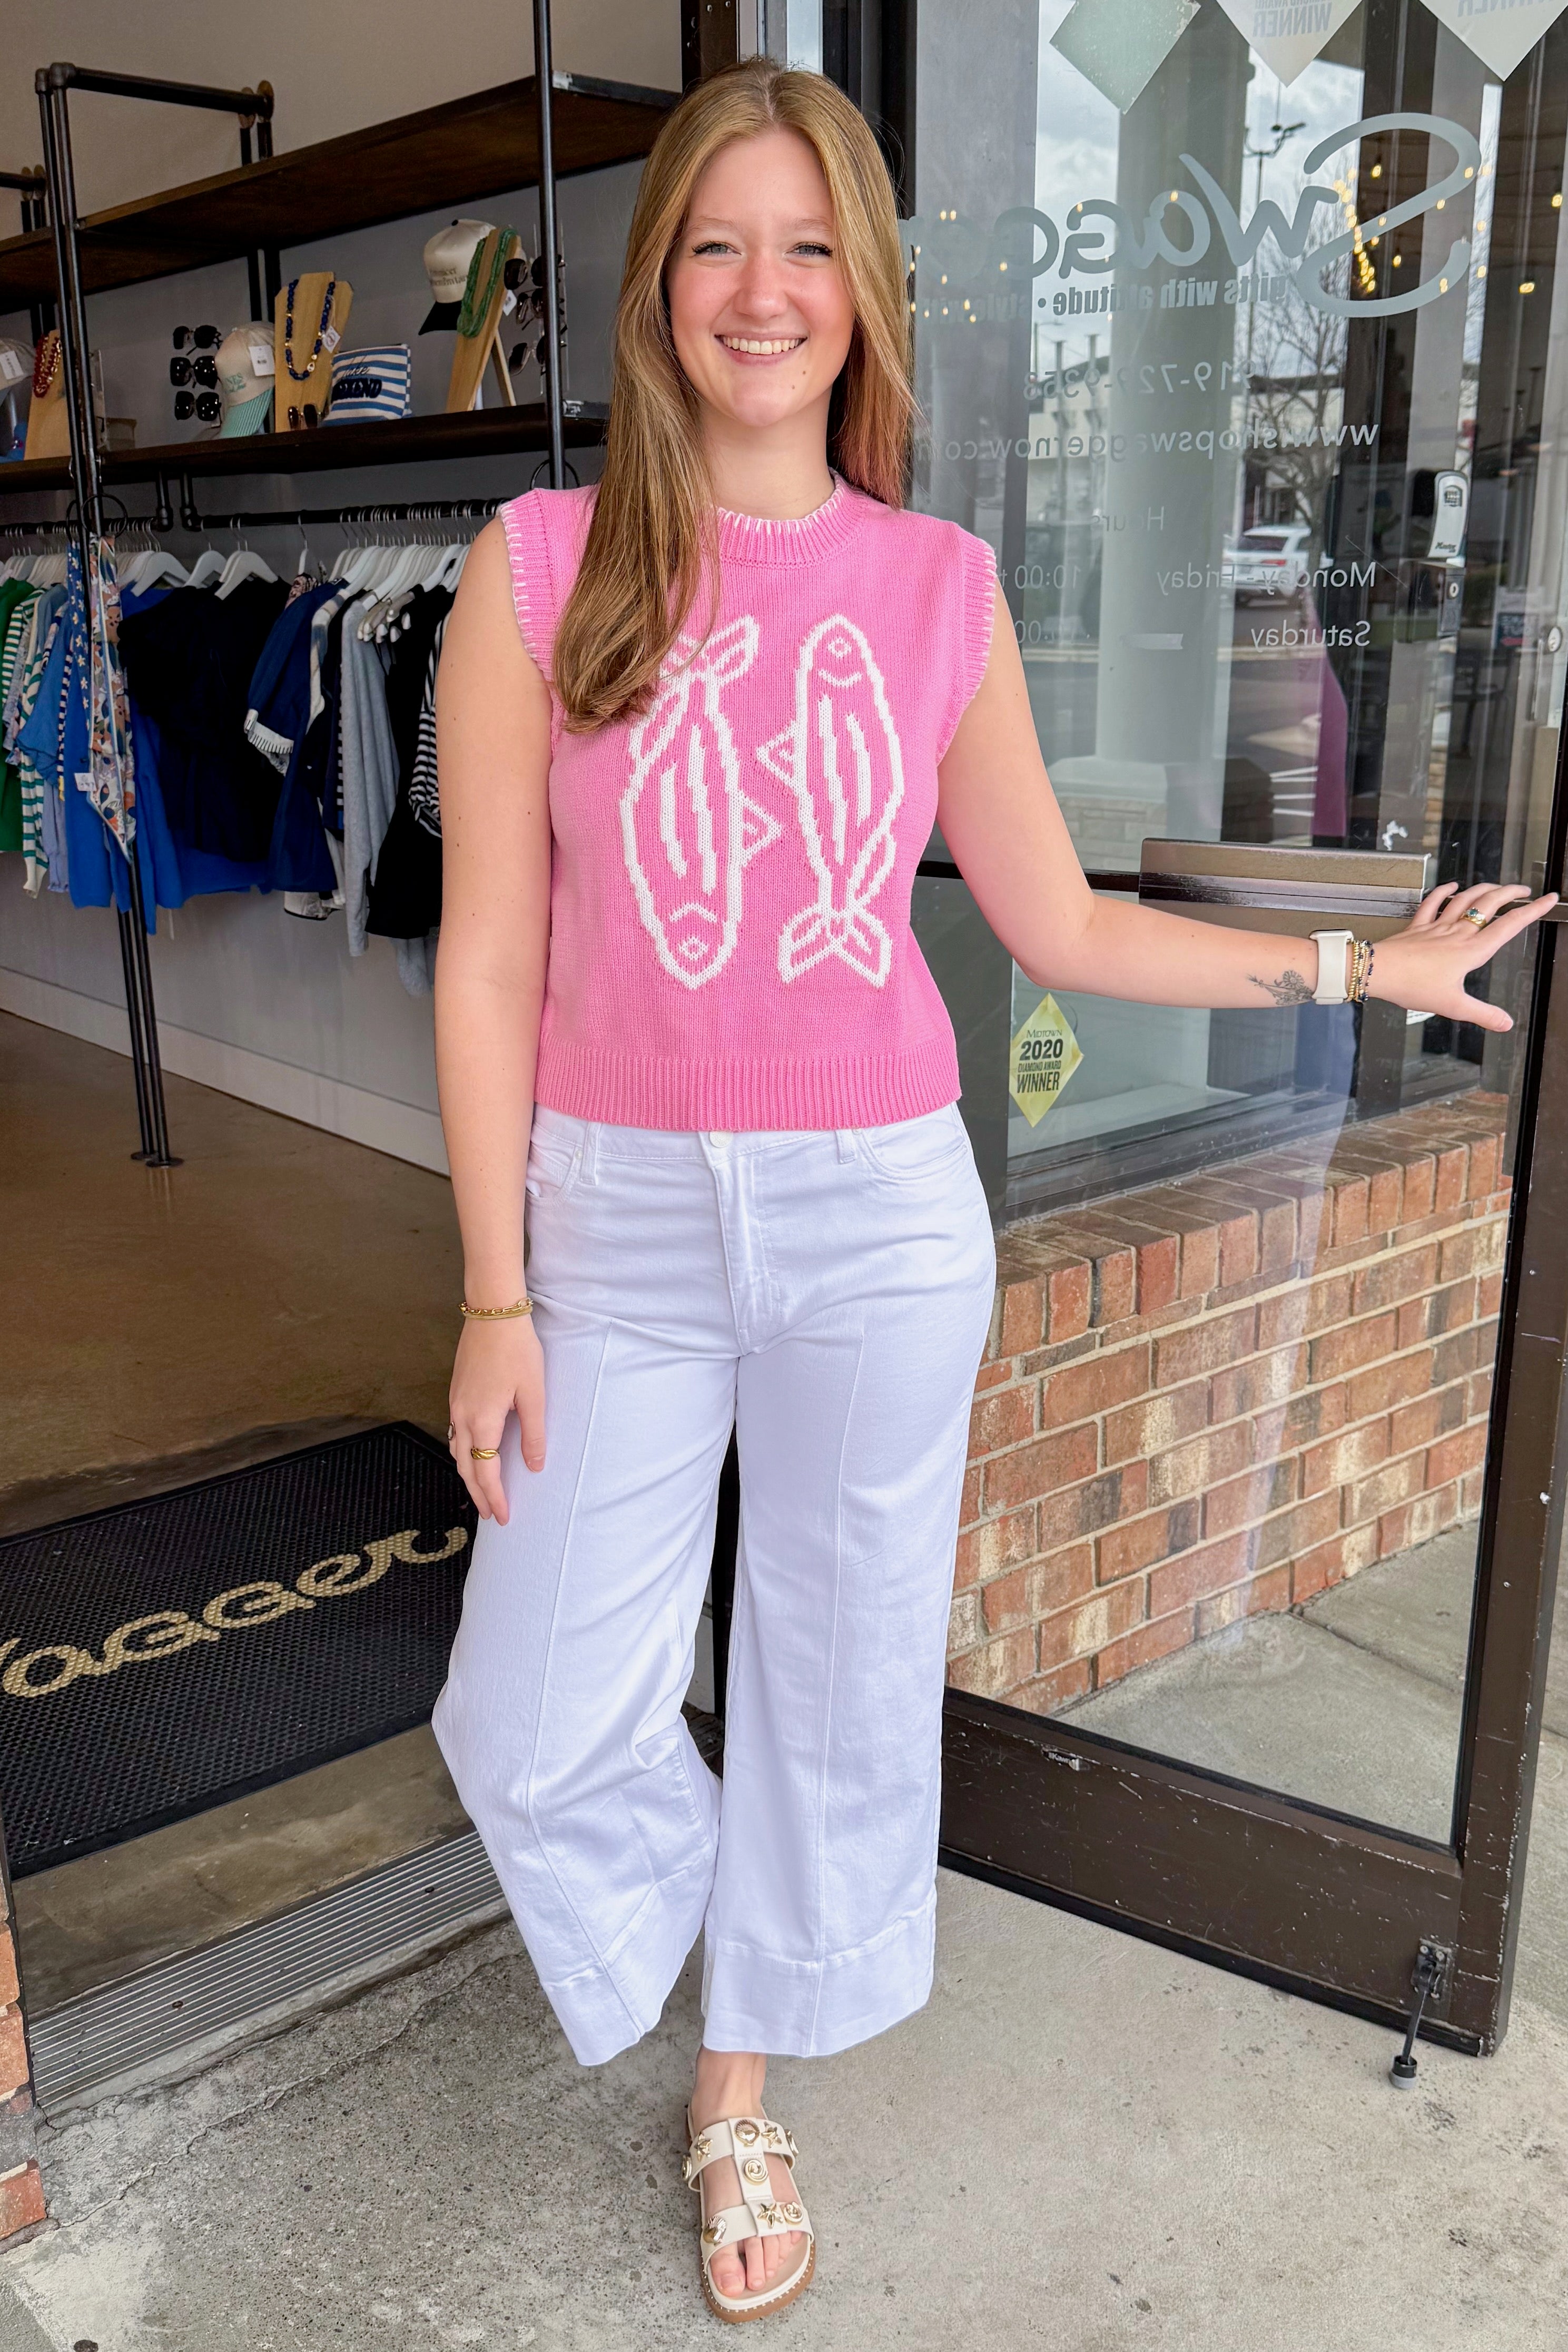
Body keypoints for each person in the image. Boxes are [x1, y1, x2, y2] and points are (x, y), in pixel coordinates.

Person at [428, 58, 1553, 2324]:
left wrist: (1355, 963)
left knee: (834, 1686)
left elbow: (1060, 923)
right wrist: (490, 1289)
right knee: (532, 1721)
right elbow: (488, 953)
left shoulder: (931, 584)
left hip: (869, 1212)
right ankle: (725, 1940)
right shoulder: (536, 568)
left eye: (810, 249)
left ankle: (737, 2095)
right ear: (659, 290)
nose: (764, 293)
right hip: (610, 1219)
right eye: (718, 246)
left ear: (864, 299)